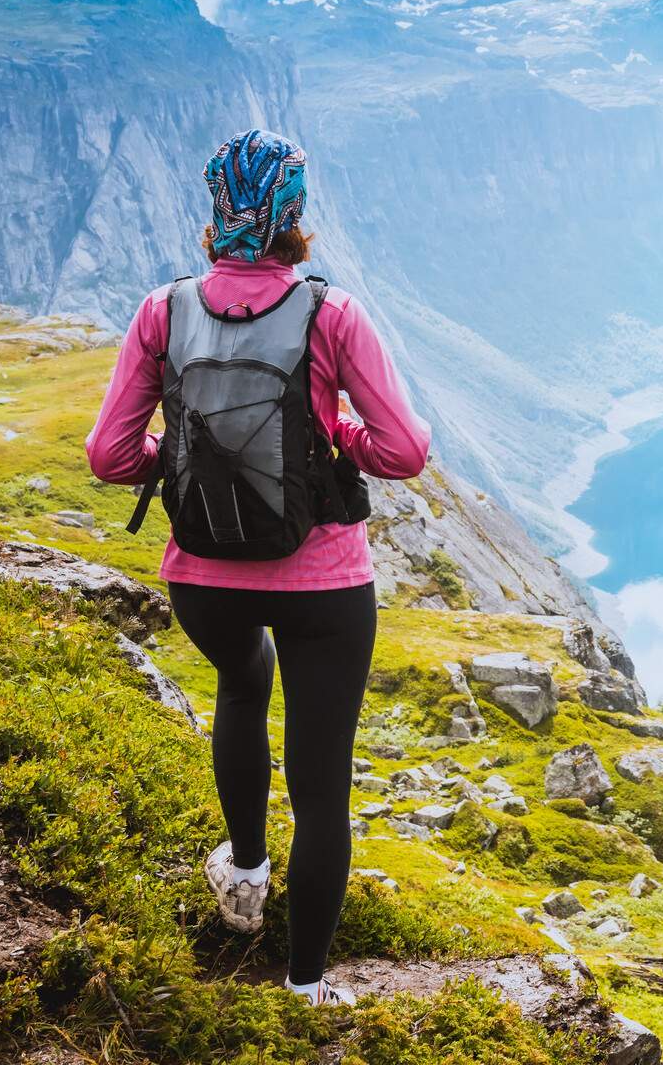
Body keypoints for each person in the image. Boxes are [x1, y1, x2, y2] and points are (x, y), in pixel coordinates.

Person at [86, 129, 429, 1007]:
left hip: (201, 570)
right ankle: (305, 986)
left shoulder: (163, 310)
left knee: (243, 688)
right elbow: (403, 450)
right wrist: (333, 437)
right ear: (294, 218)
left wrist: (180, 454)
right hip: (324, 583)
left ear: (214, 216)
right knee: (322, 783)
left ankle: (242, 873)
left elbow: (109, 455)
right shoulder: (331, 313)